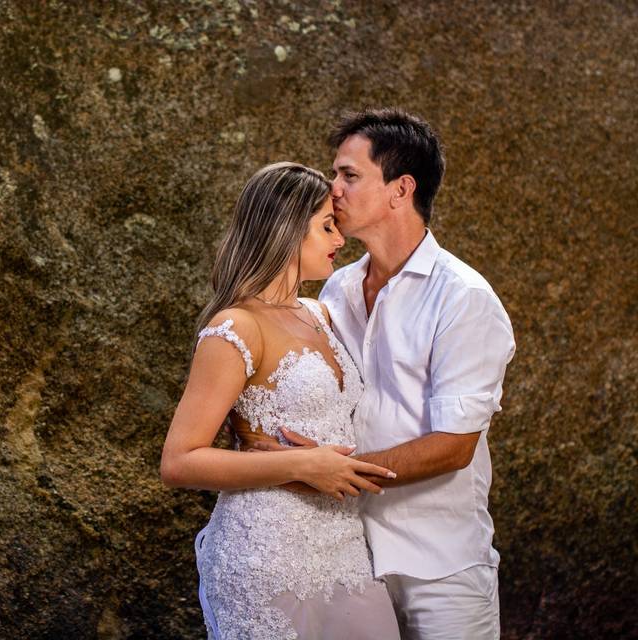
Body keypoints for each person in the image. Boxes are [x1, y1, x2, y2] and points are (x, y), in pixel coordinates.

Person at [254, 109, 516, 639]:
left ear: (401, 189)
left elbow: (454, 446)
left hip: (441, 565)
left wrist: (329, 473)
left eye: (349, 175)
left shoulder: (463, 298)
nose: (333, 190)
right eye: (335, 175)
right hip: (347, 559)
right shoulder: (336, 288)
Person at [160, 162, 401, 639]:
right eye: (326, 226)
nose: (340, 238)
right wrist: (303, 466)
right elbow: (179, 461)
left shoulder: (321, 313)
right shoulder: (236, 327)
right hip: (265, 551)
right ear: (286, 232)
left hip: (344, 547)